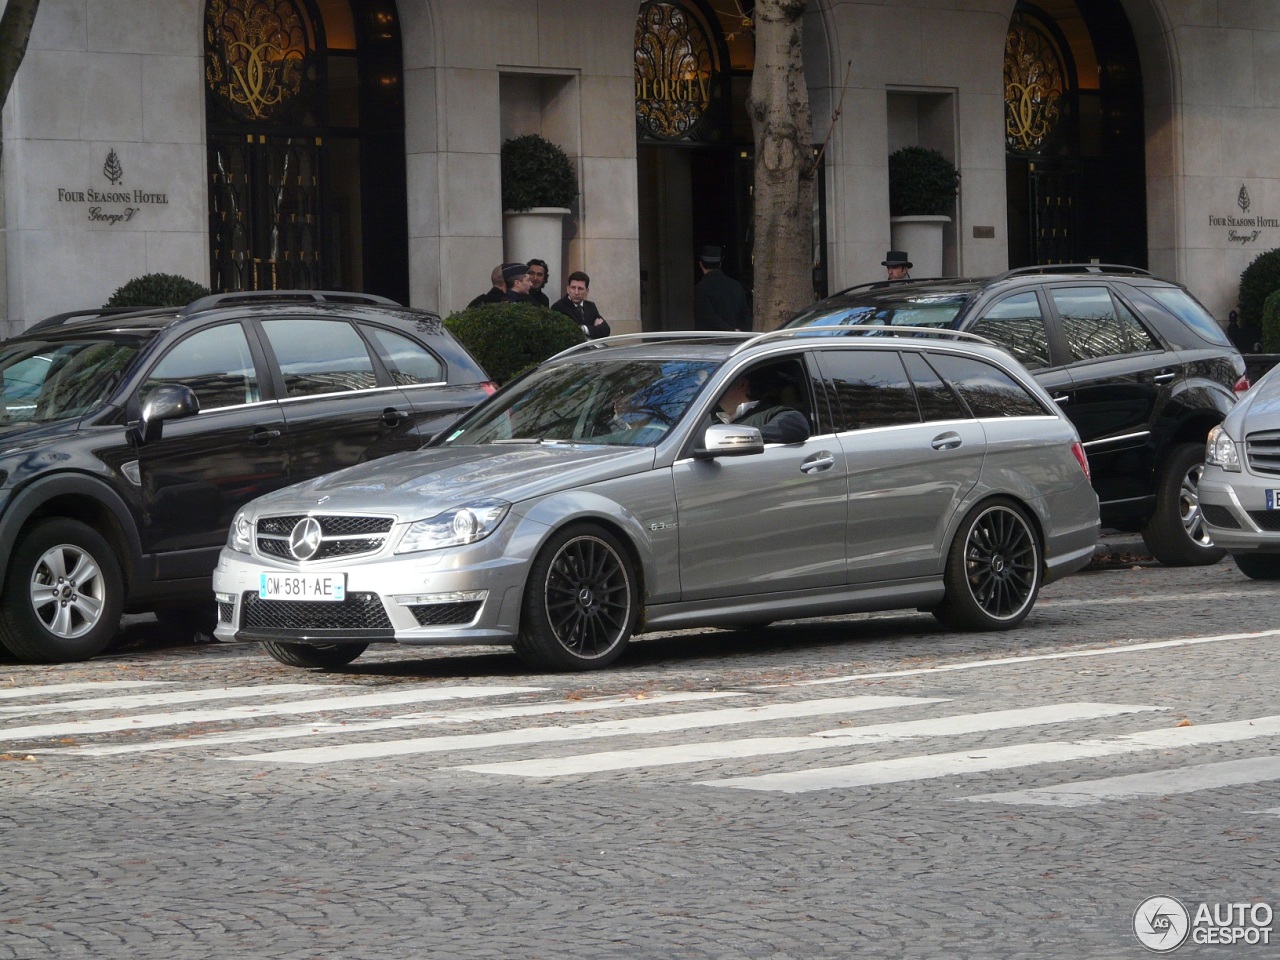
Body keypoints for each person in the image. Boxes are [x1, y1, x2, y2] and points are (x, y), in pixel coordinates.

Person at [713, 369, 809, 444]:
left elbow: (796, 424)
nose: (713, 389)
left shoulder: (769, 414)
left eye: (719, 383)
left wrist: (738, 439)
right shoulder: (707, 418)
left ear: (742, 384)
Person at [693, 244, 751, 332]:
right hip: (738, 341)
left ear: (701, 264)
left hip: (712, 342)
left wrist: (730, 331)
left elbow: (708, 318)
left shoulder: (701, 288)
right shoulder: (736, 285)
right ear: (720, 264)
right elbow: (746, 316)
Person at [552, 271, 611, 339]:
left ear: (587, 291)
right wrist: (589, 328)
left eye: (580, 289)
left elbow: (606, 330)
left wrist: (583, 328)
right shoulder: (559, 307)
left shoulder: (591, 306)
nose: (576, 292)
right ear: (568, 289)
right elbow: (569, 332)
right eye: (573, 288)